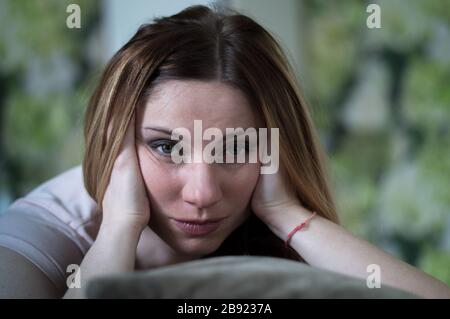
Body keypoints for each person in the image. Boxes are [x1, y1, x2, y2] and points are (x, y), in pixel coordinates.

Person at [0, 4, 449, 299]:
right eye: (166, 147)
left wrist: (288, 215)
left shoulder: (263, 212)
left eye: (235, 148)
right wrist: (118, 230)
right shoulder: (36, 233)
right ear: (113, 140)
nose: (202, 192)